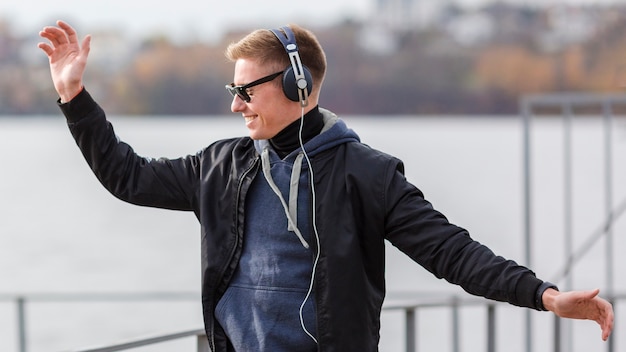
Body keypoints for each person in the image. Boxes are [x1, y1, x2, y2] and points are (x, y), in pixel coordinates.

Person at [38, 20, 613, 351]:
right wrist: (73, 97)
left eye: (249, 90)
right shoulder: (220, 165)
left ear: (298, 85)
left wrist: (545, 296)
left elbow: (451, 251)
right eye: (232, 90)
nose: (236, 104)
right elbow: (128, 177)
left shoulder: (367, 173)